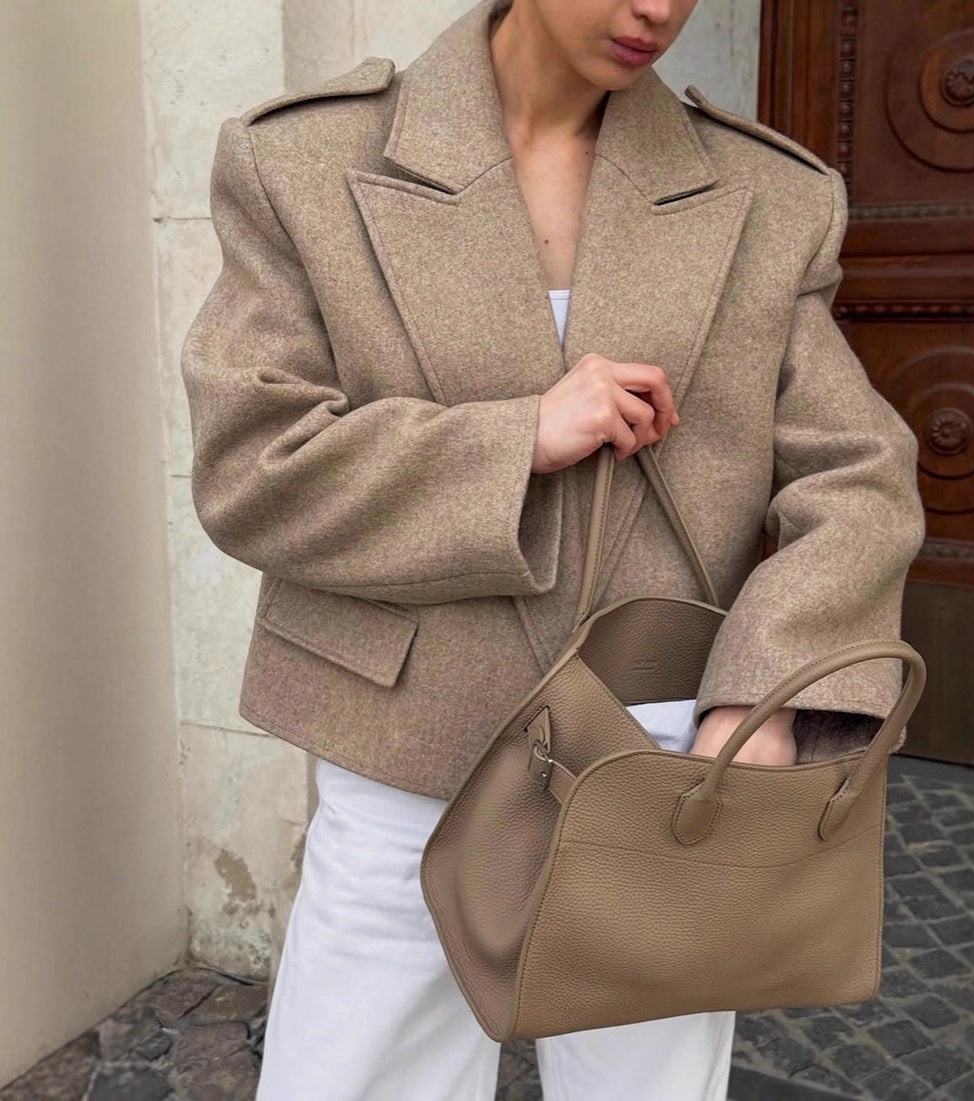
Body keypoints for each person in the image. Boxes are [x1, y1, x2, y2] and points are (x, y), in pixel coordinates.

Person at [180, 0, 927, 1097]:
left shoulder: (773, 193)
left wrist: (761, 693)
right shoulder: (301, 160)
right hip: (405, 750)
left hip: (663, 761)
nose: (658, 10)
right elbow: (253, 467)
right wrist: (517, 437)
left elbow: (860, 475)